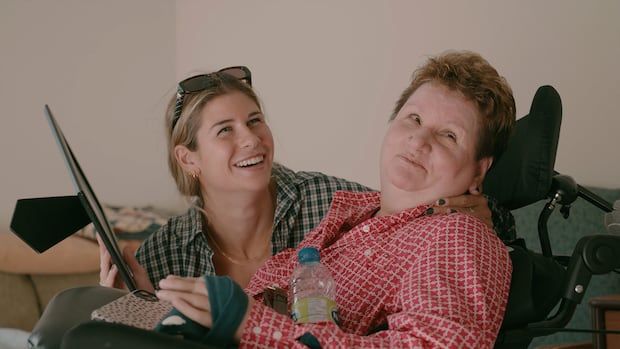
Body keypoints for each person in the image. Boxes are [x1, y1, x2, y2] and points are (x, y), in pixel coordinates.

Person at [155, 50, 516, 348]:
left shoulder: (454, 236)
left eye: (449, 136)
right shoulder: (354, 213)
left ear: (478, 172)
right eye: (414, 118)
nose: (419, 141)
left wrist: (249, 322)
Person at [99, 64, 514, 291]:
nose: (252, 139)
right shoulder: (161, 255)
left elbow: (414, 206)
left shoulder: (331, 202)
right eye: (225, 130)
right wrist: (132, 308)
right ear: (189, 160)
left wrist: (486, 215)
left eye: (255, 121)